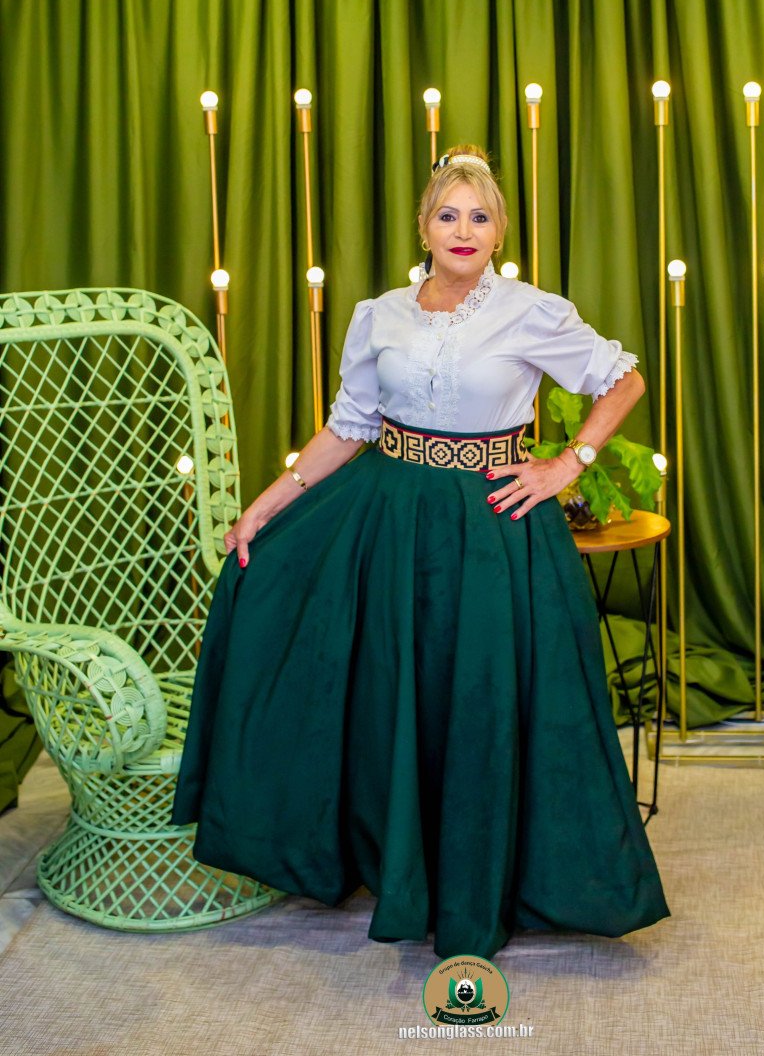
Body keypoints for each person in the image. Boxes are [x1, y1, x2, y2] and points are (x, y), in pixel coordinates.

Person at [171, 144, 670, 959]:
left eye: (480, 217)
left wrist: (568, 463)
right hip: (391, 518)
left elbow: (625, 380)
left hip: (491, 527)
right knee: (390, 693)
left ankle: (483, 882)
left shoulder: (530, 311)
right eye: (448, 214)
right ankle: (396, 865)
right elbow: (347, 429)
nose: (463, 230)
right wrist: (261, 507)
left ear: (499, 231)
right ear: (425, 226)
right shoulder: (380, 315)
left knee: (478, 700)